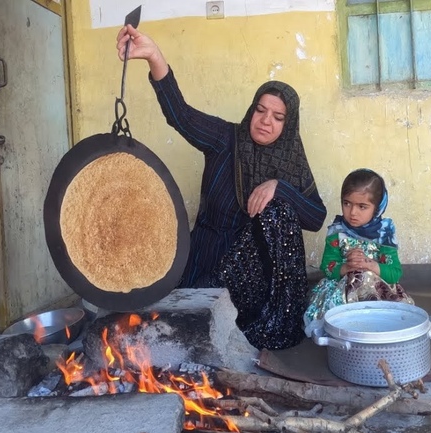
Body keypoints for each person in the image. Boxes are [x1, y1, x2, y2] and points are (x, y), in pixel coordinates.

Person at [117, 25, 327, 350]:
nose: (265, 120)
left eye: (277, 116)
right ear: (251, 110)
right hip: (210, 259)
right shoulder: (225, 138)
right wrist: (154, 56)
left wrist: (278, 187)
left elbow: (315, 217)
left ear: (288, 124)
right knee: (188, 326)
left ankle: (273, 322)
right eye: (260, 110)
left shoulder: (290, 161)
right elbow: (181, 115)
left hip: (254, 281)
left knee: (280, 210)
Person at [303, 168, 412, 337]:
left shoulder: (384, 235)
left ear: (377, 208)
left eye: (362, 206)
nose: (353, 213)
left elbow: (395, 274)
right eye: (347, 203)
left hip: (377, 294)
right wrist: (346, 267)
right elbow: (327, 267)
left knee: (366, 278)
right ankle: (349, 327)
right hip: (342, 294)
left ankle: (373, 327)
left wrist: (371, 265)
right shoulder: (337, 231)